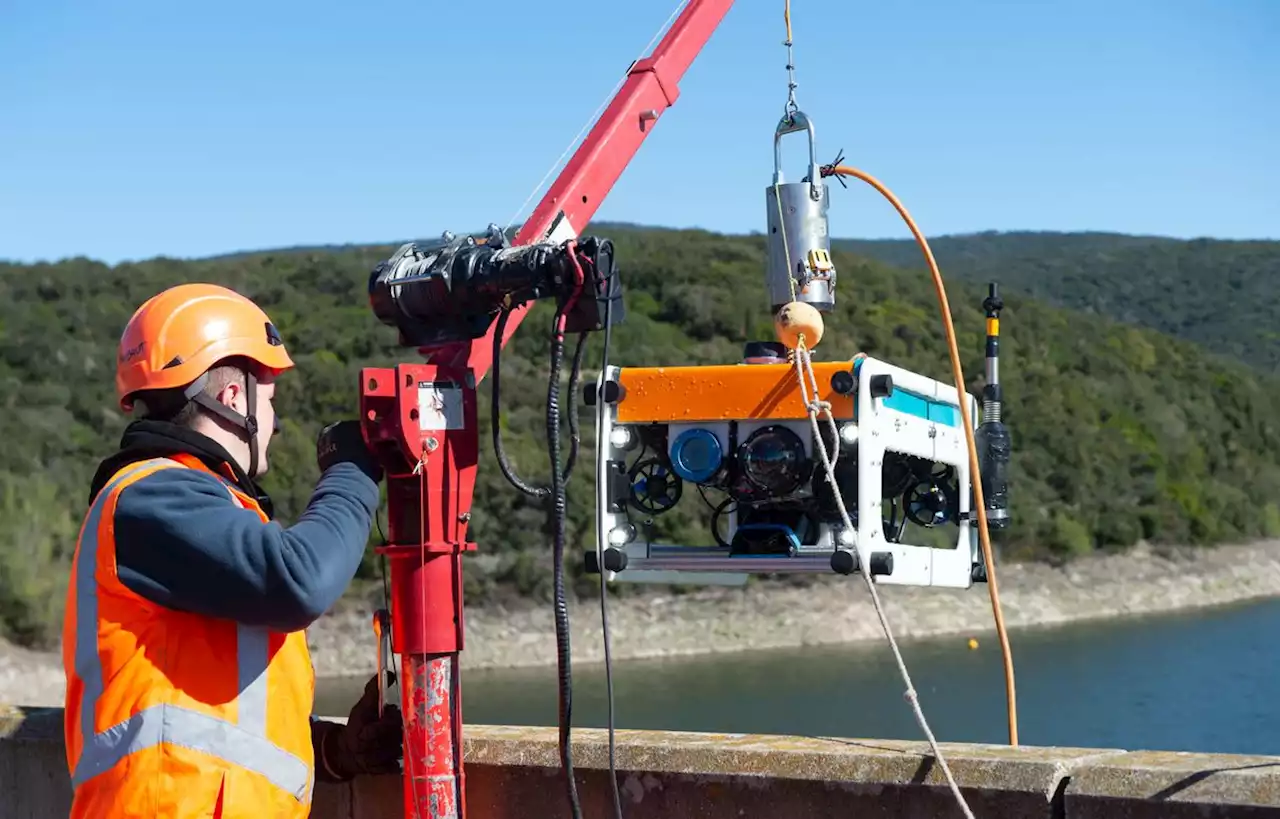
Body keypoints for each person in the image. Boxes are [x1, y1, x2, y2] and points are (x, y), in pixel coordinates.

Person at [61, 282, 403, 818]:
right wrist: (352, 471)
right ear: (233, 397)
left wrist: (337, 752)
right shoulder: (151, 497)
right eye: (268, 401)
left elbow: (213, 723)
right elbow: (300, 580)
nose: (275, 422)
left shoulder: (197, 509)